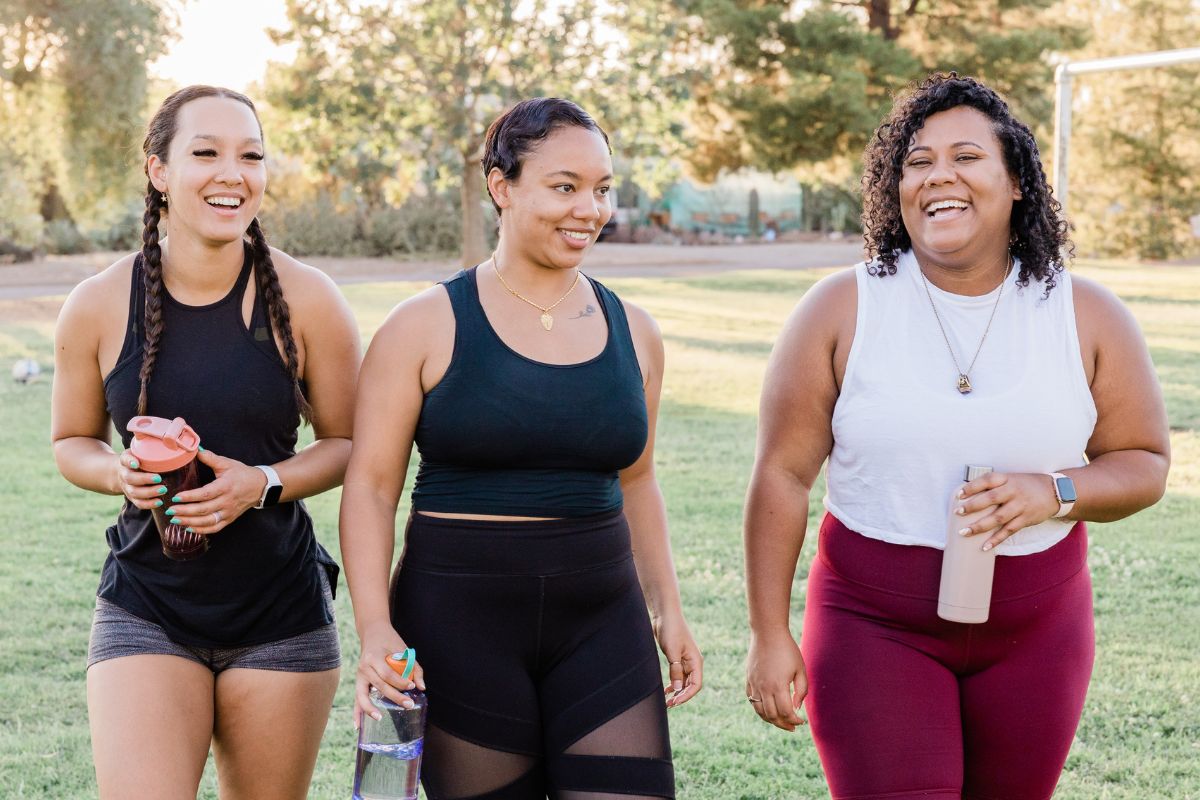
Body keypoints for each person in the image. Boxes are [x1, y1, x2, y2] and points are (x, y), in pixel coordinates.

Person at [743, 73, 1170, 800]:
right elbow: (782, 476)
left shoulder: (1085, 313)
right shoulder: (842, 309)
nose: (939, 174)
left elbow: (1146, 462)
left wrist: (1055, 491)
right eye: (917, 161)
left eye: (966, 156)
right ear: (896, 187)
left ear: (1017, 186)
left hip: (1039, 627)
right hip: (874, 624)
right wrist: (768, 632)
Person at [340, 97, 702, 799]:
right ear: (502, 186)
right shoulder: (422, 325)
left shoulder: (637, 332)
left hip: (602, 618)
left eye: (602, 189)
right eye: (564, 187)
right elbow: (372, 487)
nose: (589, 209)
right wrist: (375, 628)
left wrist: (668, 609)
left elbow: (638, 480)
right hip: (457, 625)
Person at [51, 85, 360, 799]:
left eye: (250, 154)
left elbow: (348, 443)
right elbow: (71, 441)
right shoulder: (98, 303)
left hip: (280, 614)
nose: (234, 173)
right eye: (207, 153)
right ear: (159, 170)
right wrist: (116, 473)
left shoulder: (308, 299)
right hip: (146, 605)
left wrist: (263, 483)